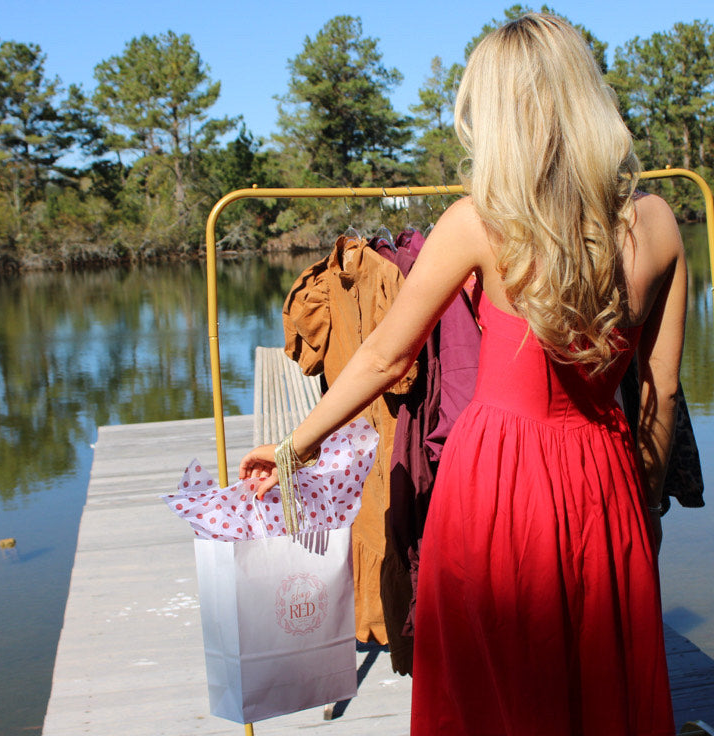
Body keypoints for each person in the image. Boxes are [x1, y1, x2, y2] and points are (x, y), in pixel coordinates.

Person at [240, 12, 684, 735]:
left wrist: (294, 447)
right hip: (604, 478)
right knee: (596, 688)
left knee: (493, 694)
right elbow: (661, 392)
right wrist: (645, 511)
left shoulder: (481, 223)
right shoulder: (658, 223)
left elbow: (385, 356)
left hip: (498, 486)